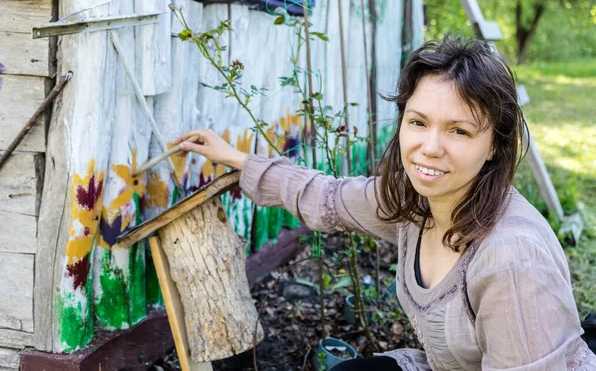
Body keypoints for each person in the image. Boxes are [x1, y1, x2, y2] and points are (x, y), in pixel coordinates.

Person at [174, 36, 596, 370]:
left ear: (493, 147)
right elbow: (328, 197)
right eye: (418, 122)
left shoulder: (511, 259)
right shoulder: (414, 203)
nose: (429, 147)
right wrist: (235, 158)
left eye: (459, 131)